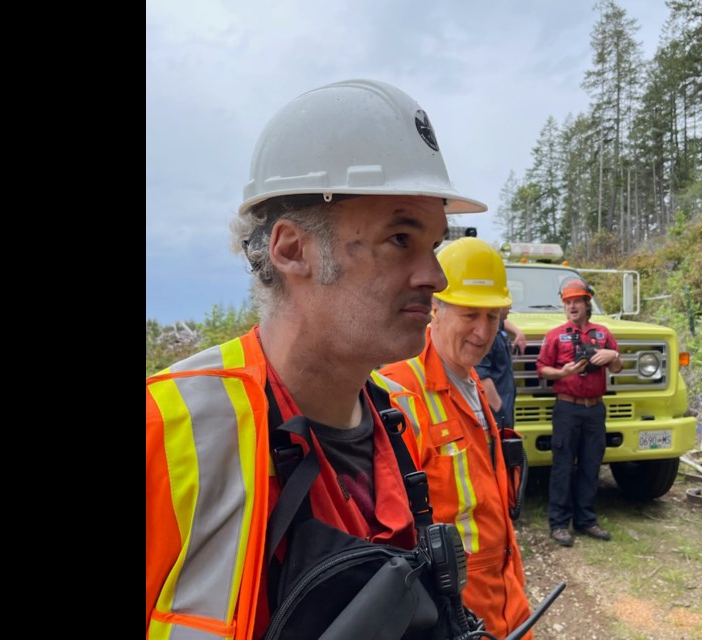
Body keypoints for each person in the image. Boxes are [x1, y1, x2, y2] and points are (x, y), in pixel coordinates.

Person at [146, 79, 487, 640]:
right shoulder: (170, 430)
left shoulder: (403, 420)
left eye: (434, 245)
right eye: (401, 238)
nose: (436, 277)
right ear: (291, 249)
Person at [380, 238, 533, 640]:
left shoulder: (471, 382)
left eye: (493, 316)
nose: (483, 332)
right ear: (436, 309)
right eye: (470, 315)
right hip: (452, 604)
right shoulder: (400, 392)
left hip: (504, 583)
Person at [535, 279, 623, 547]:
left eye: (576, 301)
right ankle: (559, 524)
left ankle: (586, 520)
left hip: (595, 409)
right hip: (567, 408)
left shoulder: (603, 333)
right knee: (562, 466)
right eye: (567, 302)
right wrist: (562, 373)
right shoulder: (555, 335)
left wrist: (612, 354)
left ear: (587, 304)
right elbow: (542, 368)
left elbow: (617, 367)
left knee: (591, 465)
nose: (572, 306)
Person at [476, 305, 525, 429]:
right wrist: (500, 412)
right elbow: (481, 376)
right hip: (495, 415)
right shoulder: (485, 334)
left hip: (504, 409)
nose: (511, 306)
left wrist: (517, 332)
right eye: (506, 302)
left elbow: (502, 322)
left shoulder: (497, 326)